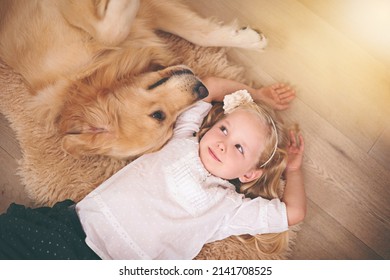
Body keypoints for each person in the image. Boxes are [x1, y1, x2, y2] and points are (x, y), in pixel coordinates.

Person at [0, 77, 305, 260]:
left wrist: (292, 170)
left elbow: (292, 214)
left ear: (249, 174)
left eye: (239, 148)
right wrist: (257, 94)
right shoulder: (184, 139)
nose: (224, 143)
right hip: (74, 229)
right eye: (224, 129)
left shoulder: (228, 208)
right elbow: (206, 87)